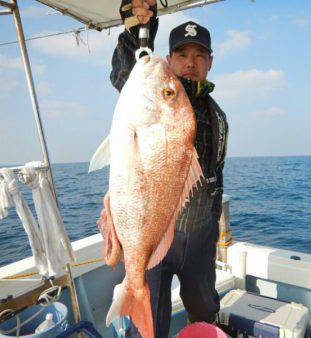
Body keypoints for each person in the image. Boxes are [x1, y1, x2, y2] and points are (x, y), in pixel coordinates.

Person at [109, 1, 228, 337]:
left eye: (200, 55)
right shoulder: (153, 95)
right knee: (149, 324)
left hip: (201, 240)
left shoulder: (218, 116)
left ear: (210, 62)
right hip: (156, 236)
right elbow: (123, 72)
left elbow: (215, 179)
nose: (190, 62)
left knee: (205, 312)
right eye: (182, 54)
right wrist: (137, 28)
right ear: (171, 59)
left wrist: (211, 230)